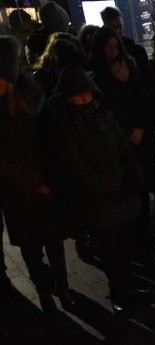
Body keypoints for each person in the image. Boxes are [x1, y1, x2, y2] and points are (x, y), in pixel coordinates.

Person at [50, 67, 147, 314]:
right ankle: (118, 293)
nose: (83, 99)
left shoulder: (102, 113)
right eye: (77, 95)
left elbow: (122, 143)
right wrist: (105, 184)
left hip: (120, 191)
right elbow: (75, 165)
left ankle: (129, 288)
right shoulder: (66, 123)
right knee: (110, 249)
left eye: (86, 94)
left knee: (125, 244)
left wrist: (130, 173)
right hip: (97, 199)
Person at [0, 36, 72, 313]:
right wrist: (32, 182)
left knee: (54, 242)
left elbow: (55, 141)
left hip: (45, 184)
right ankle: (44, 292)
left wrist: (50, 179)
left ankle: (63, 288)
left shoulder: (33, 98)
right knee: (31, 248)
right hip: (17, 191)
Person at [91, 26, 155, 247]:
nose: (112, 51)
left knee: (142, 185)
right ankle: (132, 237)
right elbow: (106, 110)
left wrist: (141, 129)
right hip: (116, 143)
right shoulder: (97, 76)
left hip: (140, 137)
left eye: (115, 46)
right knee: (125, 190)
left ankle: (145, 233)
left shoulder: (130, 68)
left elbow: (144, 101)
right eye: (108, 47)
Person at [100, 5, 153, 87]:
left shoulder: (136, 50)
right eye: (113, 28)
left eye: (119, 26)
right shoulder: (101, 52)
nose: (117, 31)